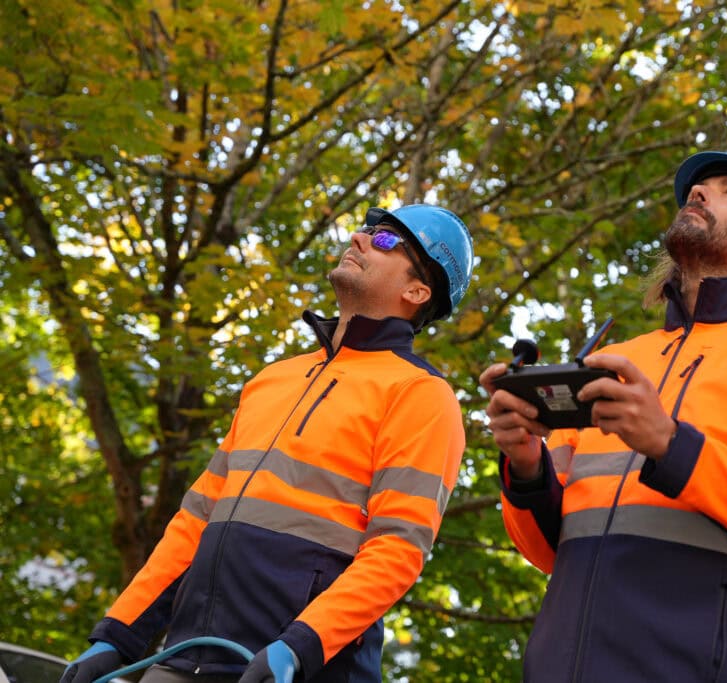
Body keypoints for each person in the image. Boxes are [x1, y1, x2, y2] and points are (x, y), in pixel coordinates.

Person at [480, 151, 727, 682]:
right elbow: (549, 551)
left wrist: (671, 444)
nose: (699, 192)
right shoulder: (614, 359)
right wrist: (525, 464)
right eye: (698, 188)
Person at [61, 204, 475, 683]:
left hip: (303, 669)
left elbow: (397, 548)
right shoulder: (272, 380)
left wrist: (301, 646)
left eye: (385, 240)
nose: (360, 238)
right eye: (365, 230)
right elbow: (194, 521)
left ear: (417, 291)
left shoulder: (421, 395)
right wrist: (118, 634)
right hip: (185, 659)